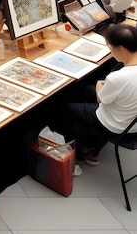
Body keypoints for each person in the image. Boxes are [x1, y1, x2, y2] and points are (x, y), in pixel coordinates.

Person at [52, 23, 137, 164]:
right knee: (84, 90)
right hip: (132, 121)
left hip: (115, 124)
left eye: (110, 47)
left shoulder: (118, 77)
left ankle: (76, 153)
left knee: (66, 108)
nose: (110, 51)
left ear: (122, 49)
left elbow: (100, 98)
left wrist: (99, 84)